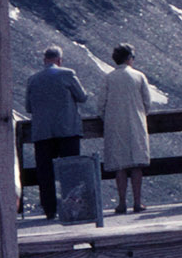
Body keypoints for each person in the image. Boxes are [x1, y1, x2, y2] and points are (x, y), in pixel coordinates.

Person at [25, 45, 88, 220]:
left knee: (45, 173)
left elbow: (28, 107)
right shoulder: (67, 74)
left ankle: (49, 210)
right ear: (60, 60)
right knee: (71, 171)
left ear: (44, 60)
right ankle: (72, 209)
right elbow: (82, 97)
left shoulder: (33, 79)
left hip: (42, 132)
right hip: (67, 131)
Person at [100, 43, 152, 214]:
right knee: (137, 164)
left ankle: (122, 203)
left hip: (115, 124)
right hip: (136, 122)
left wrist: (106, 118)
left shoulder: (109, 78)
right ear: (129, 58)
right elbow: (147, 102)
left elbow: (101, 104)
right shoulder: (139, 76)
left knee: (120, 166)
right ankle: (138, 202)